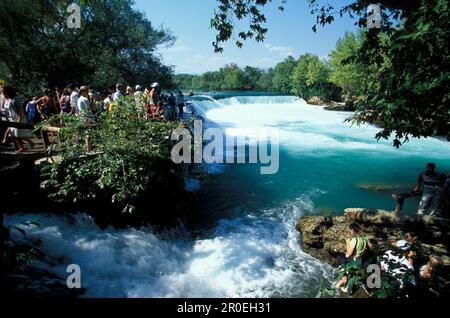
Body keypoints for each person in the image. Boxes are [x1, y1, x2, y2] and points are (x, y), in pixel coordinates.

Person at [2, 86, 35, 152]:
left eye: (4, 93)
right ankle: (22, 147)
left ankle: (31, 143)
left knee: (18, 134)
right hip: (11, 119)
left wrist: (19, 119)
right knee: (15, 135)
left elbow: (21, 110)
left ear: (7, 92)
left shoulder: (16, 99)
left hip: (19, 118)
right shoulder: (7, 100)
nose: (3, 94)